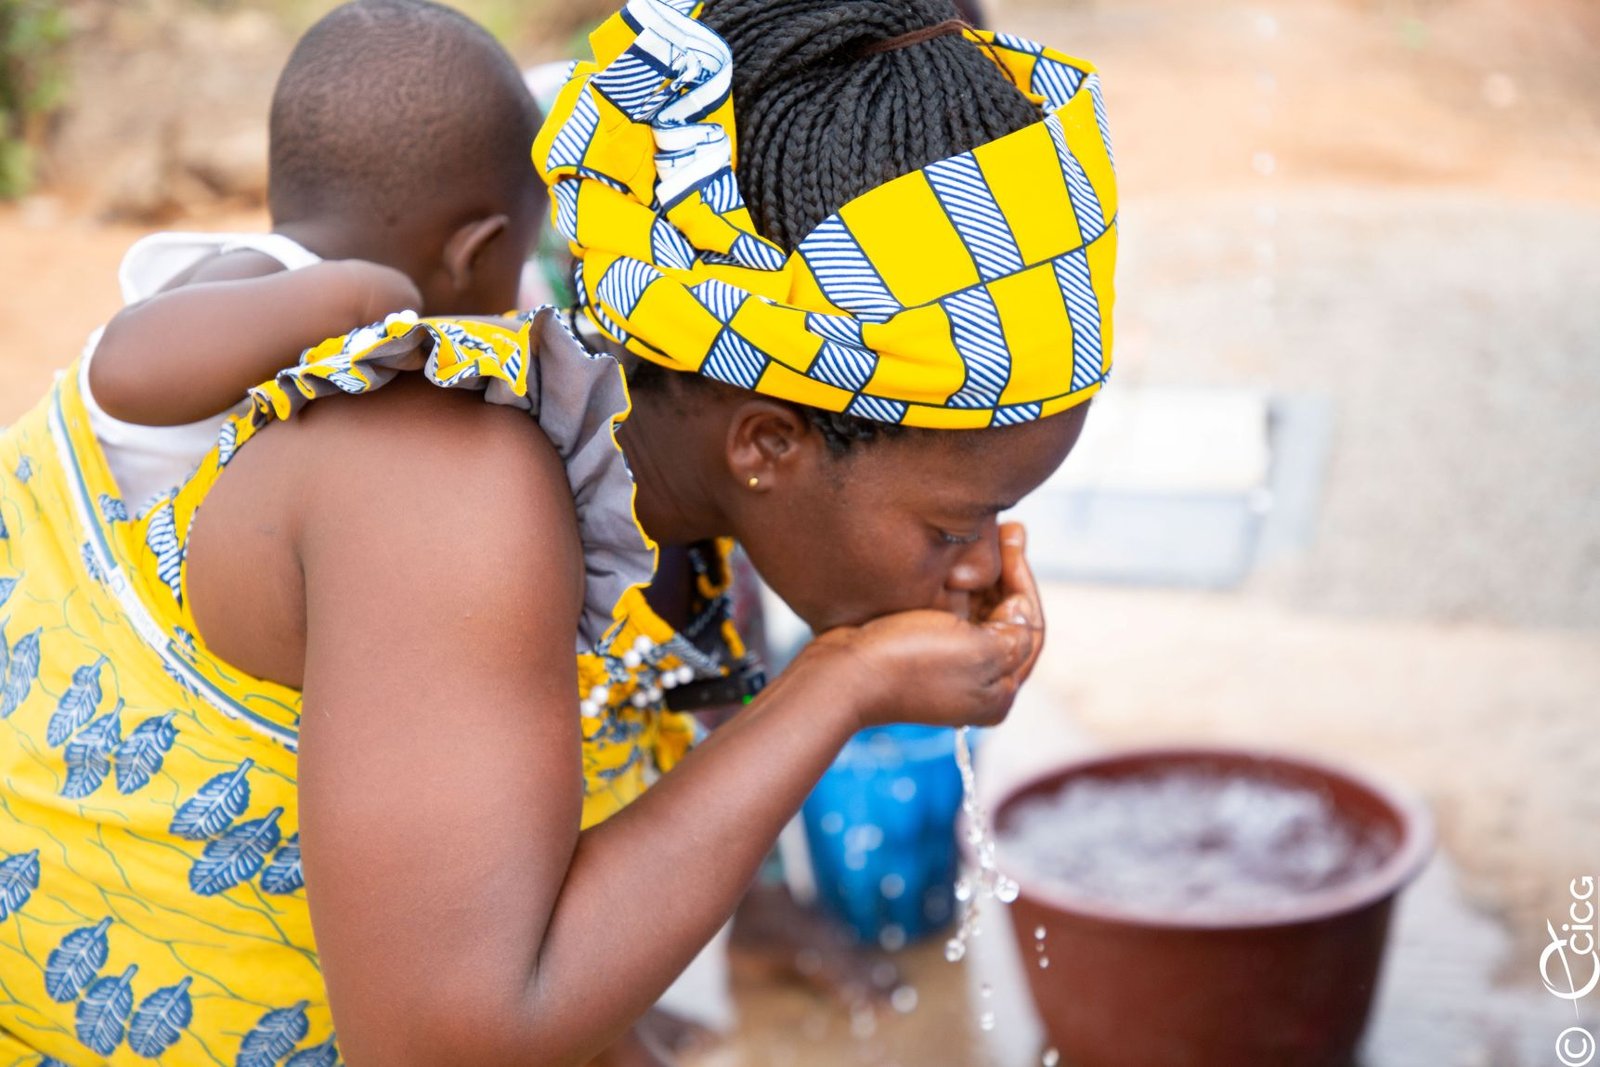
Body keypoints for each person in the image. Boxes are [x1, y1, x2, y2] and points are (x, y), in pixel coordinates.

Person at [0, 1, 1117, 1065]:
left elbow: (517, 901)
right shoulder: (439, 484)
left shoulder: (675, 534)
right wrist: (841, 684)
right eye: (957, 520)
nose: (985, 562)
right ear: (767, 443)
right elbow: (449, 1039)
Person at [82, 0, 542, 510]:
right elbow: (120, 370)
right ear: (473, 253)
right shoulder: (273, 270)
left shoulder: (287, 301)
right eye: (519, 261)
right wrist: (363, 297)